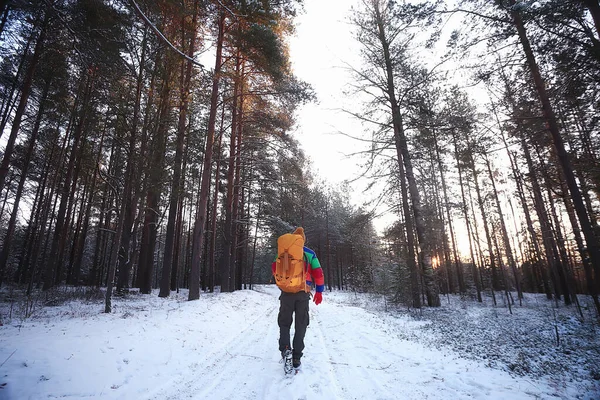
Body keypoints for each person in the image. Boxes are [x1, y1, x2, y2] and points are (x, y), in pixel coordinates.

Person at [272, 227, 324, 369]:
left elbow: (274, 268)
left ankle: (285, 350)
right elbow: (318, 273)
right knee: (301, 324)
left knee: (284, 323)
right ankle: (296, 357)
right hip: (302, 293)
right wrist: (319, 291)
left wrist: (285, 282)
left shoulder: (282, 251)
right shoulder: (309, 253)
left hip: (286, 293)